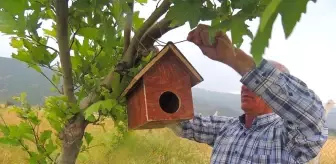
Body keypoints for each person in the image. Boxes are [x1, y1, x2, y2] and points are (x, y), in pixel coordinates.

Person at [167, 24, 328, 164]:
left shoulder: (289, 140)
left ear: (276, 94)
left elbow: (312, 116)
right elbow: (182, 122)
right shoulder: (226, 128)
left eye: (253, 83)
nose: (245, 86)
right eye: (245, 81)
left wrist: (234, 58)